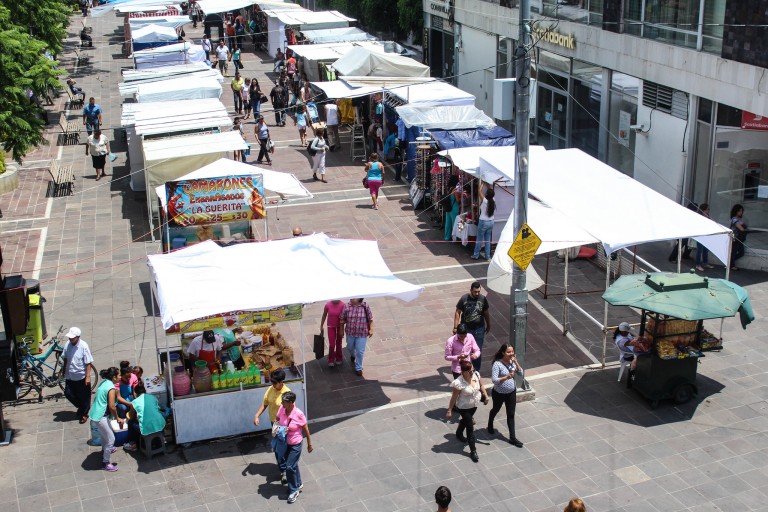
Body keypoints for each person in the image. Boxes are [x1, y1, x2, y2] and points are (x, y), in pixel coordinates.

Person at [446, 359, 488, 462]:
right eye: (469, 371)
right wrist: (449, 410)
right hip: (463, 407)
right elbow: (454, 397)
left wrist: (486, 395)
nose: (472, 373)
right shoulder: (458, 383)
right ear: (463, 372)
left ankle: (459, 432)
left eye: (472, 370)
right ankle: (473, 451)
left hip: (475, 404)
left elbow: (481, 386)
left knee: (465, 421)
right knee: (470, 427)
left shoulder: (476, 375)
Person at [274, 392, 312, 504]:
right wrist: (278, 429)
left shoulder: (298, 414)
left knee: (289, 466)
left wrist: (309, 443)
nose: (281, 403)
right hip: (284, 443)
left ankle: (293, 490)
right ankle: (298, 483)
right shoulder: (282, 408)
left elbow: (306, 429)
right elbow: (277, 419)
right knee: (293, 464)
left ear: (291, 403)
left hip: (295, 443)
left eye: (284, 401)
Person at [487, 344, 524, 448]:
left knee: (511, 414)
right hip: (499, 393)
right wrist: (506, 377)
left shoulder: (512, 362)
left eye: (512, 351)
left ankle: (512, 438)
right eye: (508, 352)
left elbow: (521, 374)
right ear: (503, 353)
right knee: (496, 409)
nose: (511, 354)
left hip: (511, 392)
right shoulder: (497, 364)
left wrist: (516, 362)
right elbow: (494, 380)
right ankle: (490, 422)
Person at [89, 367, 121, 471]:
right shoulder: (111, 388)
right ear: (114, 377)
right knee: (111, 439)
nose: (120, 377)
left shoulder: (105, 383)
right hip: (100, 416)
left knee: (104, 435)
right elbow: (112, 406)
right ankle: (106, 463)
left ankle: (105, 449)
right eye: (119, 375)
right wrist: (117, 418)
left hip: (96, 413)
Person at [61, 327, 96, 424]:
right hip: (70, 375)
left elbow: (88, 362)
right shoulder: (67, 344)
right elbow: (65, 358)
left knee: (85, 396)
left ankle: (84, 413)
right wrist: (64, 370)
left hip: (81, 376)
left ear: (78, 337)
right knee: (68, 393)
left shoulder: (83, 346)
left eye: (72, 338)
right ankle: (81, 407)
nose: (70, 339)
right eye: (70, 338)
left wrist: (88, 377)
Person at [453, 281, 491, 371]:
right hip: (467, 330)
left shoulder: (482, 299)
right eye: (475, 292)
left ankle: (476, 371)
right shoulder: (464, 298)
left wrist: (489, 324)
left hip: (479, 329)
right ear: (471, 290)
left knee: (477, 350)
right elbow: (458, 312)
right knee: (465, 349)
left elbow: (486, 312)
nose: (477, 293)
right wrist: (455, 327)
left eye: (478, 291)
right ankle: (465, 368)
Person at [123, 383, 167, 452]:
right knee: (157, 418)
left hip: (146, 428)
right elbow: (156, 409)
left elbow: (131, 416)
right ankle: (162, 438)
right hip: (160, 425)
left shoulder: (134, 402)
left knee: (131, 422)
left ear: (135, 394)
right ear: (145, 391)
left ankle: (133, 444)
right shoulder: (152, 397)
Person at [339, 298, 373, 377]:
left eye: (354, 298)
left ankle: (359, 368)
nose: (352, 299)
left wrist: (371, 329)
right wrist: (341, 330)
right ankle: (353, 355)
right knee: (350, 347)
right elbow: (342, 319)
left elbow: (370, 319)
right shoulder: (346, 306)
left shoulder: (365, 306)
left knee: (360, 351)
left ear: (359, 298)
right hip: (350, 332)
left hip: (362, 333)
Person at [472, 186, 496, 260]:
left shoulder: (485, 200)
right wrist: (487, 184)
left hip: (483, 222)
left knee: (479, 239)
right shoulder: (493, 200)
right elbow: (490, 192)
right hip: (491, 221)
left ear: (487, 194)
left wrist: (482, 183)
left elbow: (479, 191)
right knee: (487, 240)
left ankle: (476, 255)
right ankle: (487, 256)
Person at [320, 300, 345, 367]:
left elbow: (345, 317)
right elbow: (324, 315)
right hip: (331, 327)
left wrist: (342, 329)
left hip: (340, 327)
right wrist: (321, 325)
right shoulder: (328, 305)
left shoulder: (343, 305)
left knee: (339, 343)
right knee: (332, 344)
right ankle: (331, 359)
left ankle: (339, 357)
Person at [694, 203, 715, 272]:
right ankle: (698, 265)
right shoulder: (699, 216)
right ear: (703, 210)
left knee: (706, 250)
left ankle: (705, 263)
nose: (708, 211)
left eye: (709, 209)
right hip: (700, 235)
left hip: (706, 235)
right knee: (699, 250)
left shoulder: (707, 216)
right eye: (707, 209)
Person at [443, 175, 462, 242]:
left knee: (448, 223)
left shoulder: (449, 188)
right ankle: (455, 238)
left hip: (448, 208)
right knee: (455, 223)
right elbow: (457, 200)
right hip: (454, 208)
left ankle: (447, 237)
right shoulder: (455, 189)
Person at [729, 203, 747, 270]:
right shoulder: (734, 219)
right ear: (736, 211)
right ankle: (731, 265)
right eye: (739, 211)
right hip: (735, 238)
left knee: (741, 253)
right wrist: (744, 228)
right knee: (733, 252)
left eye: (742, 211)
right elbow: (741, 228)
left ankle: (729, 263)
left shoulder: (740, 219)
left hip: (740, 239)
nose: (741, 212)